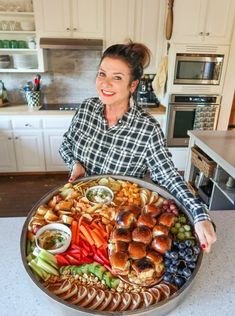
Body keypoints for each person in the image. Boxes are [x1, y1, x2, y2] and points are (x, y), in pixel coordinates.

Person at [59, 41, 216, 253]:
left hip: (120, 224)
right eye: (102, 74)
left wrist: (199, 214)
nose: (105, 83)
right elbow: (66, 144)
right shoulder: (87, 108)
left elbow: (168, 176)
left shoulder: (147, 128)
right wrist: (75, 164)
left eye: (117, 78)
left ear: (132, 85)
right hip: (79, 207)